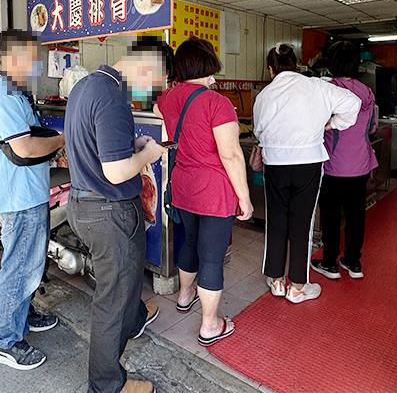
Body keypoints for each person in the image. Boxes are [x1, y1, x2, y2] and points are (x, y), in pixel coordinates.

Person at [64, 38, 170, 393]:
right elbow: (115, 172)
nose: (152, 92)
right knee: (111, 299)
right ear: (149, 66)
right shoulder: (112, 96)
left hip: (84, 202)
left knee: (124, 285)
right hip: (108, 210)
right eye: (157, 83)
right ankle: (107, 385)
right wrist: (148, 154)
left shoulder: (86, 85)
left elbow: (96, 149)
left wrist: (132, 149)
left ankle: (135, 317)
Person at [154, 38, 252, 346]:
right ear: (206, 64)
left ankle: (184, 296)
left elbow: (168, 138)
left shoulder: (165, 99)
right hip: (214, 190)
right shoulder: (217, 103)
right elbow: (231, 155)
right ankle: (210, 325)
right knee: (212, 257)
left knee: (191, 242)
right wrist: (245, 198)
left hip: (184, 185)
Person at [253, 44, 361, 303]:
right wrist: (332, 123)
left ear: (271, 69)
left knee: (276, 219)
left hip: (276, 163)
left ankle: (277, 280)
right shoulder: (317, 86)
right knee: (302, 223)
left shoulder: (265, 95)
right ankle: (298, 286)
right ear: (297, 63)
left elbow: (259, 131)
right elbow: (353, 103)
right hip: (309, 163)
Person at [0, 30, 64, 371]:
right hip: (18, 196)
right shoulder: (2, 92)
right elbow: (23, 148)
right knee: (19, 264)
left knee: (28, 263)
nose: (36, 64)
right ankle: (6, 337)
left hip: (28, 193)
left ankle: (21, 312)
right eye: (30, 57)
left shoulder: (15, 93)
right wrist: (62, 140)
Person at [310, 41, 378, 280]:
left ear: (330, 63)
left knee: (330, 215)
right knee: (355, 214)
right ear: (356, 65)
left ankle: (329, 263)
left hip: (333, 165)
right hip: (360, 164)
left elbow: (315, 124)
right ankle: (353, 262)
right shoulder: (367, 92)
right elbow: (372, 128)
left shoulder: (327, 89)